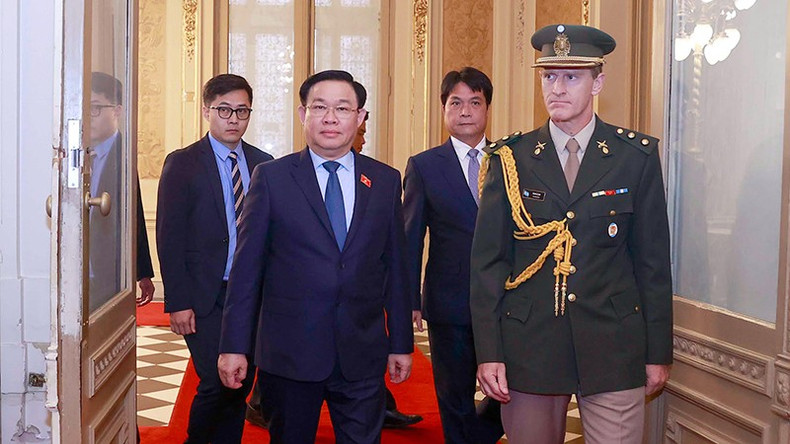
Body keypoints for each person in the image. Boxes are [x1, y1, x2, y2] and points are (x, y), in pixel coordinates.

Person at [471, 24, 673, 444]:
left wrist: (658, 352)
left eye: (571, 76)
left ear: (597, 81)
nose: (557, 88)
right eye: (549, 76)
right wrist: (489, 352)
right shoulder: (512, 158)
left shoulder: (634, 157)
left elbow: (652, 263)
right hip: (530, 345)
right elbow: (488, 263)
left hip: (614, 344)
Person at [217, 70, 413, 444]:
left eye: (343, 108)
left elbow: (397, 269)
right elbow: (246, 271)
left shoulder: (385, 180)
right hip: (290, 353)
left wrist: (401, 342)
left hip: (361, 352)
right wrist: (233, 346)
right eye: (319, 107)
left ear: (360, 118)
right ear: (302, 114)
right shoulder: (272, 178)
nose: (330, 118)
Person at [156, 73, 273, 443]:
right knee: (216, 378)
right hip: (205, 295)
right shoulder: (183, 163)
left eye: (242, 110)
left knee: (240, 380)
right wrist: (178, 301)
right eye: (224, 109)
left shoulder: (263, 164)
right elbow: (169, 237)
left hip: (250, 295)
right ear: (207, 110)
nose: (233, 118)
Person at [403, 67, 504, 443]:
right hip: (449, 302)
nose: (465, 111)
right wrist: (409, 299)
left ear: (487, 109)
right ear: (443, 109)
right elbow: (410, 238)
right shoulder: (425, 166)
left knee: (511, 392)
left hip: (506, 301)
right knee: (454, 396)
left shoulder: (511, 162)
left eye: (474, 102)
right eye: (456, 102)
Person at [88, 72, 155, 309]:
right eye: (84, 107)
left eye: (95, 108)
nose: (88, 116)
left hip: (111, 277)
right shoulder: (74, 154)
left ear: (116, 111)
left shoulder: (123, 155)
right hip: (77, 273)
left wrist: (143, 272)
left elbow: (134, 214)